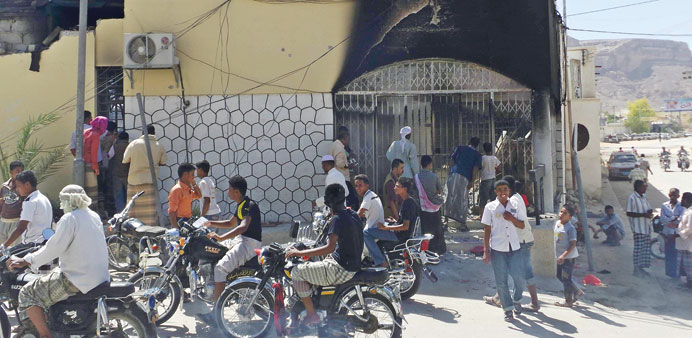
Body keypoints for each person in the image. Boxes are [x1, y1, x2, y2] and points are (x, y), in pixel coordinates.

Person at [8, 185, 109, 338]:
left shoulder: (70, 218)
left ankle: (45, 335)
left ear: (70, 201)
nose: (62, 205)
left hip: (78, 278)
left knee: (27, 293)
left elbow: (53, 248)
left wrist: (26, 260)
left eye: (63, 201)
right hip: (99, 275)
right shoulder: (93, 215)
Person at [285, 183, 363, 326]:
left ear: (329, 203)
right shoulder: (353, 214)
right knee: (313, 267)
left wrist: (299, 252)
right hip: (351, 262)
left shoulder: (337, 219)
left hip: (341, 268)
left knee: (297, 272)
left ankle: (311, 314)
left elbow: (329, 247)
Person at [197, 176, 263, 326]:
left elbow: (242, 227)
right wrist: (209, 222)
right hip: (241, 240)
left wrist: (221, 237)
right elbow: (230, 222)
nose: (227, 191)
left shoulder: (249, 205)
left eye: (229, 189)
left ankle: (216, 313)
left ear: (236, 191)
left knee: (220, 269)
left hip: (249, 244)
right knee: (212, 249)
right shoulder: (240, 204)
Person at [482, 180, 526, 321]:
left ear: (509, 191)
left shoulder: (515, 205)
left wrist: (512, 219)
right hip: (498, 249)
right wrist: (486, 250)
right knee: (501, 281)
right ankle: (507, 309)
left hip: (514, 248)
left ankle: (517, 300)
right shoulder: (490, 207)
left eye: (505, 189)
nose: (502, 192)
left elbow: (522, 225)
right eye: (499, 189)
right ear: (495, 192)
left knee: (519, 279)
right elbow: (487, 229)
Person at [365, 178, 417, 267]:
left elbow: (405, 226)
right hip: (402, 233)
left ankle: (381, 262)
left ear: (404, 189)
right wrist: (395, 222)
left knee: (366, 233)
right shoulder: (411, 201)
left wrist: (386, 228)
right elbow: (406, 221)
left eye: (397, 186)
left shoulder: (407, 204)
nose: (394, 188)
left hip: (399, 236)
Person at [122, 124, 167, 226]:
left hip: (134, 181)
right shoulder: (159, 145)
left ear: (142, 133)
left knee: (133, 209)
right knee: (149, 211)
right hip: (150, 181)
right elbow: (163, 162)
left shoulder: (134, 144)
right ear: (154, 133)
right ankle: (149, 230)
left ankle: (133, 228)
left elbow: (125, 160)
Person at [3, 171, 52, 248]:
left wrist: (4, 246)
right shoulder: (43, 198)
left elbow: (21, 228)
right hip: (43, 242)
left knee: (7, 258)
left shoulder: (30, 202)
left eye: (18, 186)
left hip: (31, 244)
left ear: (27, 184)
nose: (17, 189)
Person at [446, 137, 482, 232]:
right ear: (477, 145)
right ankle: (462, 223)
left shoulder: (460, 148)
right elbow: (475, 169)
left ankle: (445, 222)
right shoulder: (477, 155)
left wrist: (451, 171)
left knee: (449, 196)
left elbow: (451, 161)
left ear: (469, 142)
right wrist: (472, 181)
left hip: (453, 174)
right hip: (465, 177)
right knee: (463, 199)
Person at [356, 174, 390, 267]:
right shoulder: (372, 195)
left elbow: (360, 213)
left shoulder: (368, 197)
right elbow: (364, 213)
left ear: (367, 185)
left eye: (360, 185)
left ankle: (382, 263)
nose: (358, 188)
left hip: (374, 229)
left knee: (359, 246)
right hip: (376, 226)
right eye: (356, 186)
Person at [415, 155, 446, 255]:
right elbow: (440, 190)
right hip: (435, 207)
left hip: (423, 207)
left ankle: (427, 250)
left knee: (426, 230)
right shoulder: (435, 176)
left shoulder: (416, 177)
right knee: (437, 230)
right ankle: (439, 250)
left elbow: (416, 191)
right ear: (429, 164)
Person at [554, 204, 584, 307]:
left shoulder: (570, 228)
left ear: (570, 217)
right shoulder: (558, 223)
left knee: (566, 278)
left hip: (568, 257)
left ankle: (568, 300)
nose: (561, 214)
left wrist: (563, 255)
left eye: (565, 213)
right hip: (559, 256)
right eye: (561, 212)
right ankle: (576, 291)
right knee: (559, 276)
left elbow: (573, 244)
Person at [626, 180, 654, 277]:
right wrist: (643, 215)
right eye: (643, 187)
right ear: (637, 188)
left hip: (646, 227)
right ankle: (636, 269)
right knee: (638, 249)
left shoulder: (644, 197)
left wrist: (649, 212)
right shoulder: (632, 198)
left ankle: (642, 268)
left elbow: (647, 209)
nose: (645, 188)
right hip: (638, 228)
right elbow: (629, 213)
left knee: (645, 250)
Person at [329, 126, 359, 210]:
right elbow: (339, 163)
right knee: (352, 199)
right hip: (342, 177)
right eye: (348, 139)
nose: (348, 142)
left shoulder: (334, 145)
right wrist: (349, 166)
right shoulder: (339, 147)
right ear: (345, 138)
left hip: (337, 175)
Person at [83, 116, 108, 210]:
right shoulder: (95, 134)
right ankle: (92, 211)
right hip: (90, 164)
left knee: (86, 189)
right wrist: (95, 167)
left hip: (83, 163)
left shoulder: (87, 132)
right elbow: (93, 152)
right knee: (92, 190)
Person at [660, 188, 685, 278]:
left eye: (675, 195)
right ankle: (670, 273)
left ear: (678, 196)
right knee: (668, 253)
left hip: (676, 234)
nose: (673, 197)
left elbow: (680, 219)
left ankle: (677, 273)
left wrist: (670, 219)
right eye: (671, 195)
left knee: (677, 254)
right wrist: (673, 218)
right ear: (669, 195)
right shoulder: (664, 205)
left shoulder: (681, 206)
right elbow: (662, 219)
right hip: (667, 233)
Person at [168, 163, 202, 228]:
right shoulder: (177, 190)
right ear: (185, 175)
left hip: (188, 220)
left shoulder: (187, 188)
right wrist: (176, 229)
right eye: (192, 175)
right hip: (180, 221)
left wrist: (194, 184)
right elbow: (172, 212)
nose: (193, 177)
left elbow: (199, 195)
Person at [0, 161, 25, 245]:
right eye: (18, 171)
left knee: (13, 249)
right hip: (3, 222)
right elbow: (1, 203)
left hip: (16, 222)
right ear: (11, 172)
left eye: (22, 171)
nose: (20, 173)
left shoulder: (24, 187)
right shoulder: (4, 187)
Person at [99, 121, 118, 216]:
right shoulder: (108, 137)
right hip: (104, 164)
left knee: (102, 188)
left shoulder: (101, 135)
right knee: (105, 187)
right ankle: (107, 208)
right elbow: (109, 153)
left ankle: (105, 208)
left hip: (100, 164)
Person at [676, 192, 692, 290]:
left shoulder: (690, 213)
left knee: (689, 265)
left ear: (687, 200)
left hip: (688, 243)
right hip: (684, 243)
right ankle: (688, 282)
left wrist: (678, 234)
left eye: (682, 199)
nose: (681, 201)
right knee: (686, 264)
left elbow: (690, 229)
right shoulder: (686, 211)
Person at [111, 132, 130, 212]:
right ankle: (129, 212)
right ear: (127, 138)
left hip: (117, 174)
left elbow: (108, 156)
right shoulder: (130, 146)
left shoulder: (115, 147)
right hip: (128, 174)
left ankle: (120, 213)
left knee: (119, 195)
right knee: (129, 194)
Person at [479, 142, 501, 212]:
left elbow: (479, 167)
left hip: (485, 179)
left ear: (484, 150)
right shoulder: (494, 158)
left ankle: (481, 215)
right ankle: (494, 214)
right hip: (493, 179)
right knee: (493, 198)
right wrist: (495, 171)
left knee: (483, 198)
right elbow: (499, 168)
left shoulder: (482, 158)